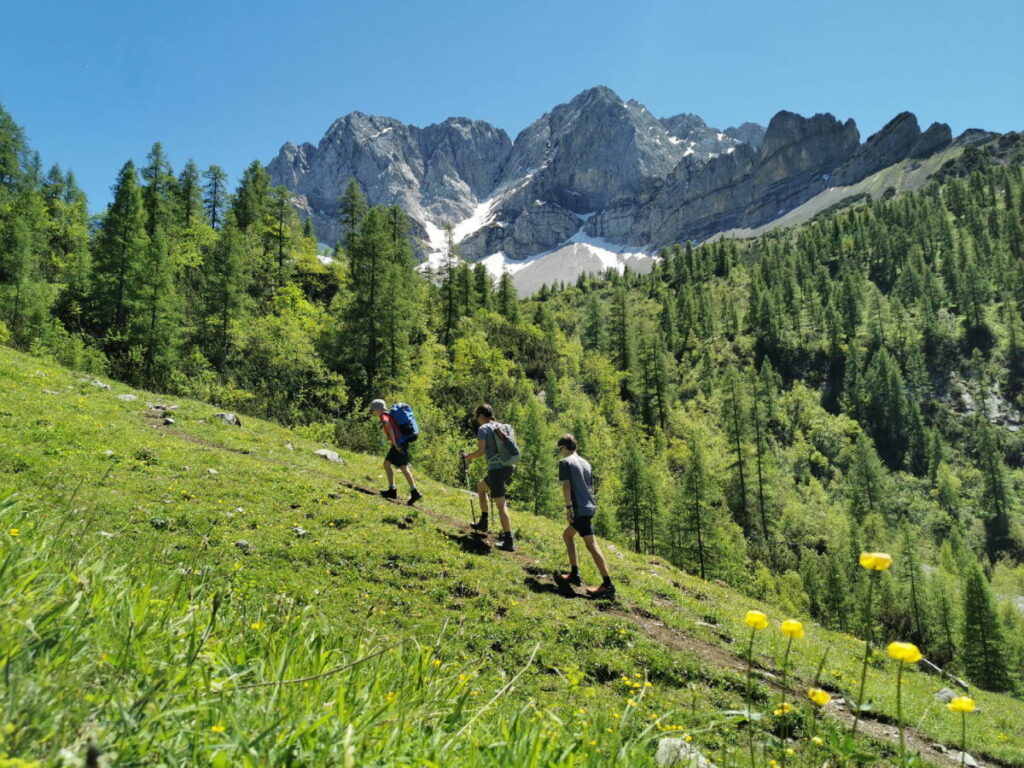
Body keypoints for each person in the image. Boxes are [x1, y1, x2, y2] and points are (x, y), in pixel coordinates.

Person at [557, 434, 615, 598]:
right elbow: (590, 486)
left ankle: (608, 585)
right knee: (567, 535)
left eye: (560, 449)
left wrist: (569, 508)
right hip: (589, 506)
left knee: (591, 545)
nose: (560, 453)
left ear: (564, 447)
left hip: (579, 509)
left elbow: (566, 486)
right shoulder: (585, 463)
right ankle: (574, 573)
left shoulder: (565, 462)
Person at [460, 403, 516, 552]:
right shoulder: (503, 426)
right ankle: (483, 522)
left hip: (496, 469)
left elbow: (480, 452)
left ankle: (509, 540)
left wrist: (467, 457)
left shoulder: (484, 429)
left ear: (480, 415)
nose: (476, 419)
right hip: (508, 466)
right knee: (481, 487)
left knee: (501, 504)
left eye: (476, 416)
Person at [369, 399, 422, 505]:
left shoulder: (384, 417)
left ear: (378, 410)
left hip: (399, 443)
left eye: (372, 410)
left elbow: (391, 430)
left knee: (403, 467)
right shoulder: (387, 415)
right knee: (387, 463)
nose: (372, 412)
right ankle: (392, 490)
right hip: (398, 443)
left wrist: (395, 444)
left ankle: (414, 491)